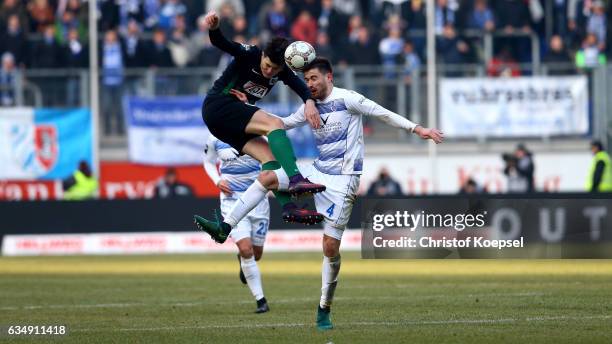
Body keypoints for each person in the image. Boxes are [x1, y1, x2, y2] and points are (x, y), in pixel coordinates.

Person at [224, 57, 443, 330]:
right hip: (317, 171)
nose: (310, 85)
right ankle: (226, 226)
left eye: (314, 79)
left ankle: (324, 306)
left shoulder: (348, 99)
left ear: (329, 78)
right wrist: (247, 106)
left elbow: (382, 112)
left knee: (330, 248)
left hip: (344, 181)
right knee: (267, 177)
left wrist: (417, 128)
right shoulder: (309, 106)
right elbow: (281, 123)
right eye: (306, 81)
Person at [193, 10, 326, 244]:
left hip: (227, 124)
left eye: (275, 69)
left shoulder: (281, 70)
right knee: (274, 124)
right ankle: (295, 179)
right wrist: (213, 27)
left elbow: (300, 87)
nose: (270, 71)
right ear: (263, 54)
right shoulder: (251, 53)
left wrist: (309, 102)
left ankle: (288, 207)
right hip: (218, 106)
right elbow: (221, 42)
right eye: (268, 66)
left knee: (268, 160)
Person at [203, 134, 270, 313]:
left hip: (258, 200)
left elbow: (270, 161)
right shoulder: (215, 137)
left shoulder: (259, 133)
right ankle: (261, 300)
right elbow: (208, 162)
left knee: (256, 254)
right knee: (246, 249)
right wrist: (218, 180)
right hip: (231, 200)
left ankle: (244, 261)